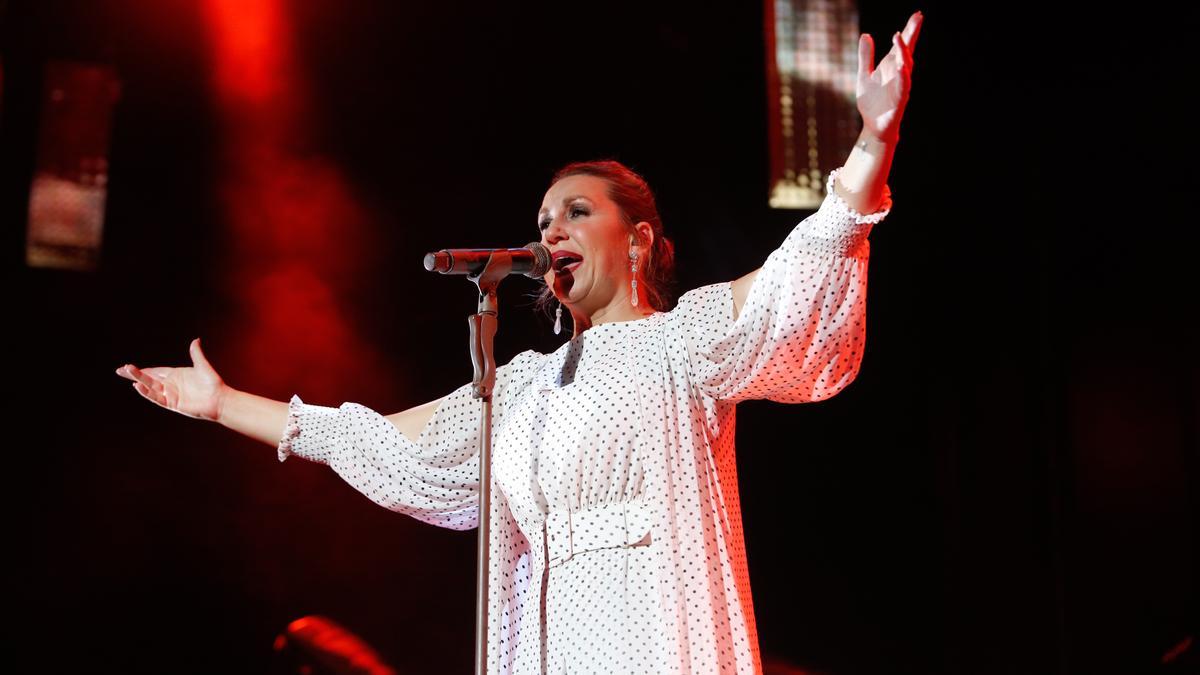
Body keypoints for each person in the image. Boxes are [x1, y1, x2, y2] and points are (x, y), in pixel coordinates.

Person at [116, 11, 922, 674]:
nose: (550, 229)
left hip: (653, 634)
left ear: (638, 239)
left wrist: (871, 147)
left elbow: (800, 271)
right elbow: (370, 437)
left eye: (575, 211)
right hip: (552, 645)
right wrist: (223, 404)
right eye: (542, 220)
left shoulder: (682, 341)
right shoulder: (523, 388)